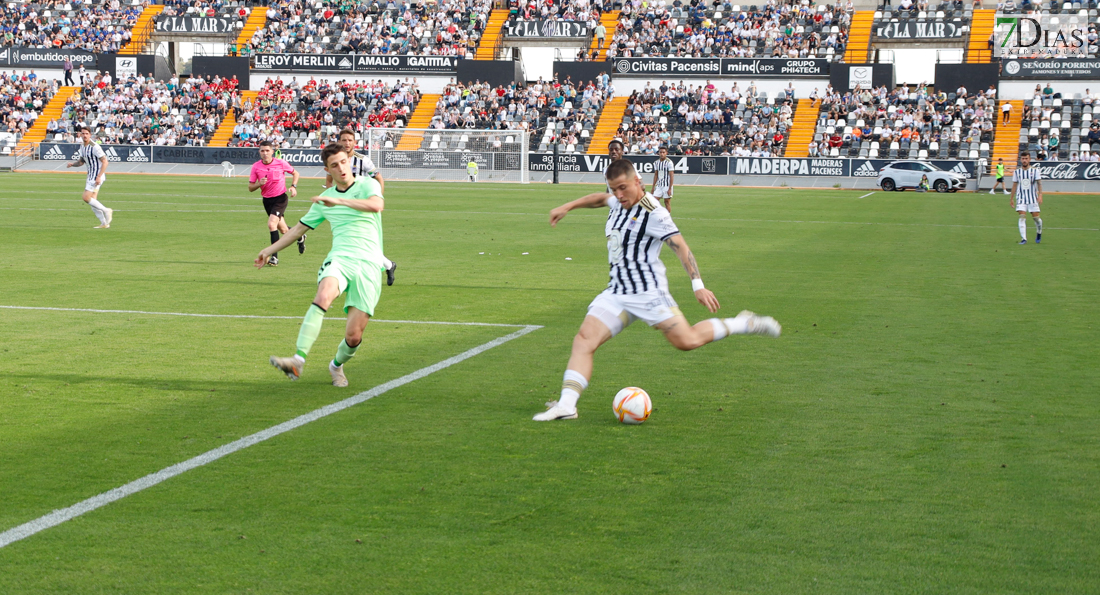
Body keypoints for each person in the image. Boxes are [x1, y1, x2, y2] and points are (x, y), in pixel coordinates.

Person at [533, 159, 782, 421]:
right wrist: (568, 206)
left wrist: (698, 285)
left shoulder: (654, 212)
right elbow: (598, 199)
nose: (618, 195)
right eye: (613, 189)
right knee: (584, 340)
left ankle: (743, 323)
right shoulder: (617, 200)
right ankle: (567, 405)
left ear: (638, 182)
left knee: (687, 342)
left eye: (623, 188)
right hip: (617, 291)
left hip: (649, 292)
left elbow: (680, 247)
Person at [261, 144, 387, 387]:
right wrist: (268, 250)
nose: (341, 168)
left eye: (343, 162)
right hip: (340, 258)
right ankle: (297, 361)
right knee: (324, 294)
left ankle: (336, 366)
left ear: (349, 160)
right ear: (327, 170)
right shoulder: (324, 200)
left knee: (353, 336)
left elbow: (376, 206)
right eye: (334, 165)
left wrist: (338, 201)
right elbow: (297, 229)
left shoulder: (366, 184)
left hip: (369, 263)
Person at [327, 129, 398, 285]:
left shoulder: (363, 160)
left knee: (363, 241)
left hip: (364, 206)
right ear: (339, 141)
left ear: (354, 142)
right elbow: (329, 179)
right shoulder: (336, 159)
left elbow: (379, 178)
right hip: (346, 207)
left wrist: (378, 197)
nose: (346, 143)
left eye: (349, 140)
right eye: (343, 140)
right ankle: (387, 265)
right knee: (358, 241)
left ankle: (381, 267)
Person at [249, 140, 302, 266]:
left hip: (280, 198)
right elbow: (250, 187)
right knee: (283, 230)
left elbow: (295, 173)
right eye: (262, 151)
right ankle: (299, 236)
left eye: (267, 150)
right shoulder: (256, 166)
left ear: (272, 151)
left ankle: (274, 257)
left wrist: (293, 186)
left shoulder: (280, 163)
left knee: (271, 224)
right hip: (267, 200)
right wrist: (259, 184)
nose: (265, 153)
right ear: (259, 152)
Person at [66, 128, 113, 229]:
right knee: (93, 202)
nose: (84, 135)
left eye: (86, 134)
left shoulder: (95, 147)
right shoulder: (82, 146)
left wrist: (99, 176)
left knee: (86, 197)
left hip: (95, 176)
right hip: (91, 175)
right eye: (82, 133)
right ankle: (104, 223)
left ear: (90, 135)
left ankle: (106, 210)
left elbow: (105, 162)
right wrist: (72, 164)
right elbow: (81, 162)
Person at [1011, 152, 1043, 244]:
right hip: (1021, 198)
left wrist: (1040, 195)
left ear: (1029, 159)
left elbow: (1039, 183)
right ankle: (1023, 239)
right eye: (1023, 158)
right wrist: (1011, 198)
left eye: (1026, 158)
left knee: (1036, 218)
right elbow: (1014, 185)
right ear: (1021, 159)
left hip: (1032, 198)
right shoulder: (1017, 172)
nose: (1024, 160)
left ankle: (1039, 232)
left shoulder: (1035, 171)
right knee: (1022, 217)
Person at [651, 145, 675, 212]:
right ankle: (660, 213)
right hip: (659, 185)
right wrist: (653, 187)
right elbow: (656, 175)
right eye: (660, 152)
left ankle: (667, 217)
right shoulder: (656, 162)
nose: (662, 154)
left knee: (667, 202)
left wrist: (670, 188)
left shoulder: (669, 162)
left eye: (663, 152)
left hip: (667, 185)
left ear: (666, 153)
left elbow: (671, 175)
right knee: (654, 201)